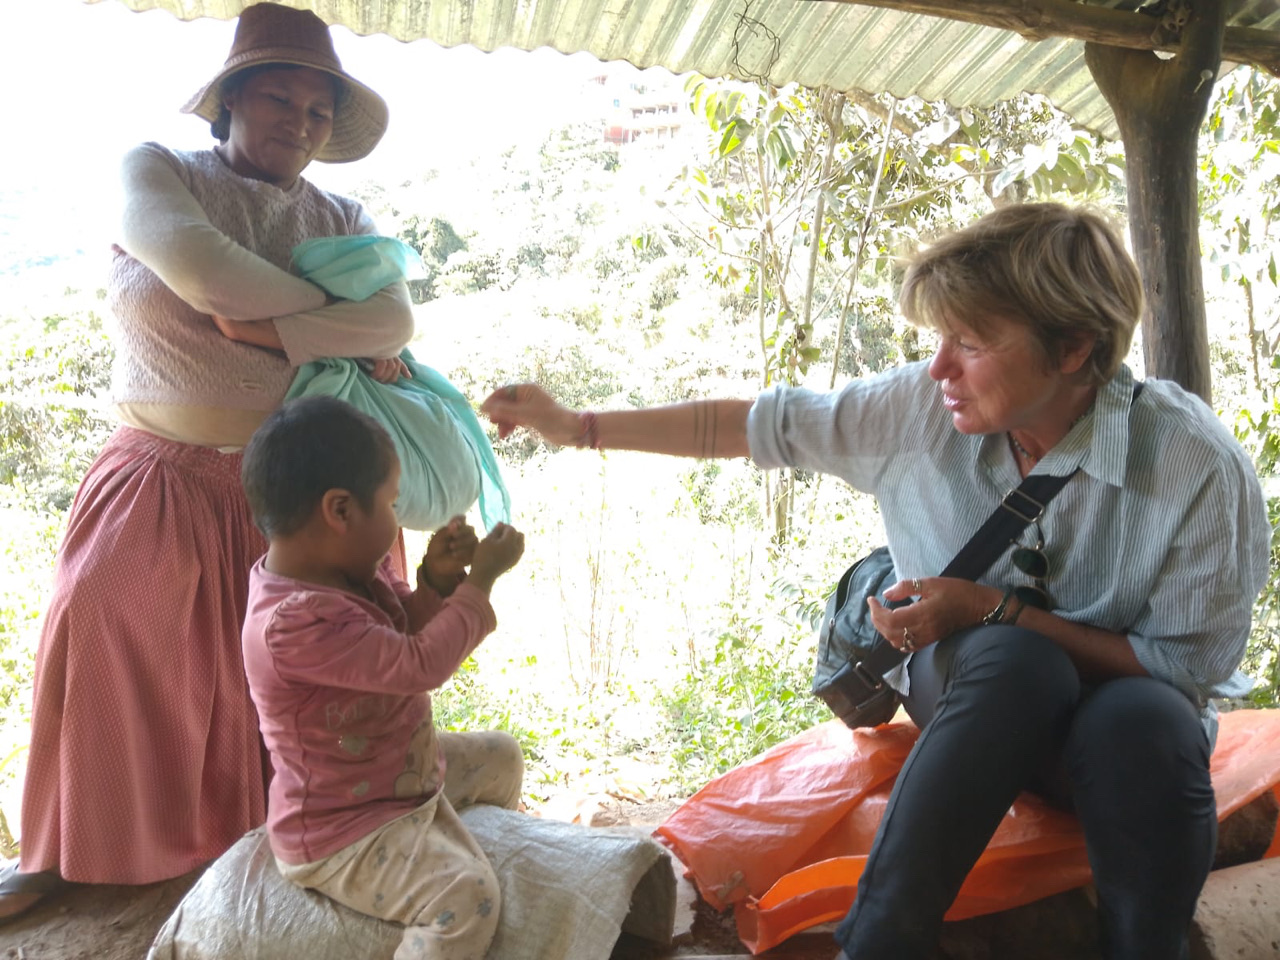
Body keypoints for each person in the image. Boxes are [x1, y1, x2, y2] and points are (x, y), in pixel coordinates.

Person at [481, 203, 1271, 960]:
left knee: (1148, 721)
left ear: (1073, 348)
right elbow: (755, 426)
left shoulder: (1191, 463)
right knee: (1012, 663)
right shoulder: (918, 410)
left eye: (971, 341)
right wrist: (579, 428)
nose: (939, 367)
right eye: (939, 338)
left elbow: (1183, 671)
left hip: (1110, 735)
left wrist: (994, 607)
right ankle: (882, 942)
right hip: (978, 697)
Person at [2, 3, 415, 917]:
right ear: (227, 100)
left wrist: (260, 322)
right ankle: (65, 850)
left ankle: (307, 836)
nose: (298, 124)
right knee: (101, 622)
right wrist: (319, 330)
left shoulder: (341, 210)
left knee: (317, 660)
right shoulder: (155, 173)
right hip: (161, 466)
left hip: (308, 490)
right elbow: (204, 274)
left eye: (317, 111)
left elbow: (392, 321)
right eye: (278, 97)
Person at [238, 396, 525, 960]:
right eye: (392, 504)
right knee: (466, 896)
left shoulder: (350, 571)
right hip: (343, 824)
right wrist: (479, 585)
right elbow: (417, 665)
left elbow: (395, 635)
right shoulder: (292, 622)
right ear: (339, 510)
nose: (398, 519)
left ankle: (454, 845)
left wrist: (436, 581)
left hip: (392, 771)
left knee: (503, 757)